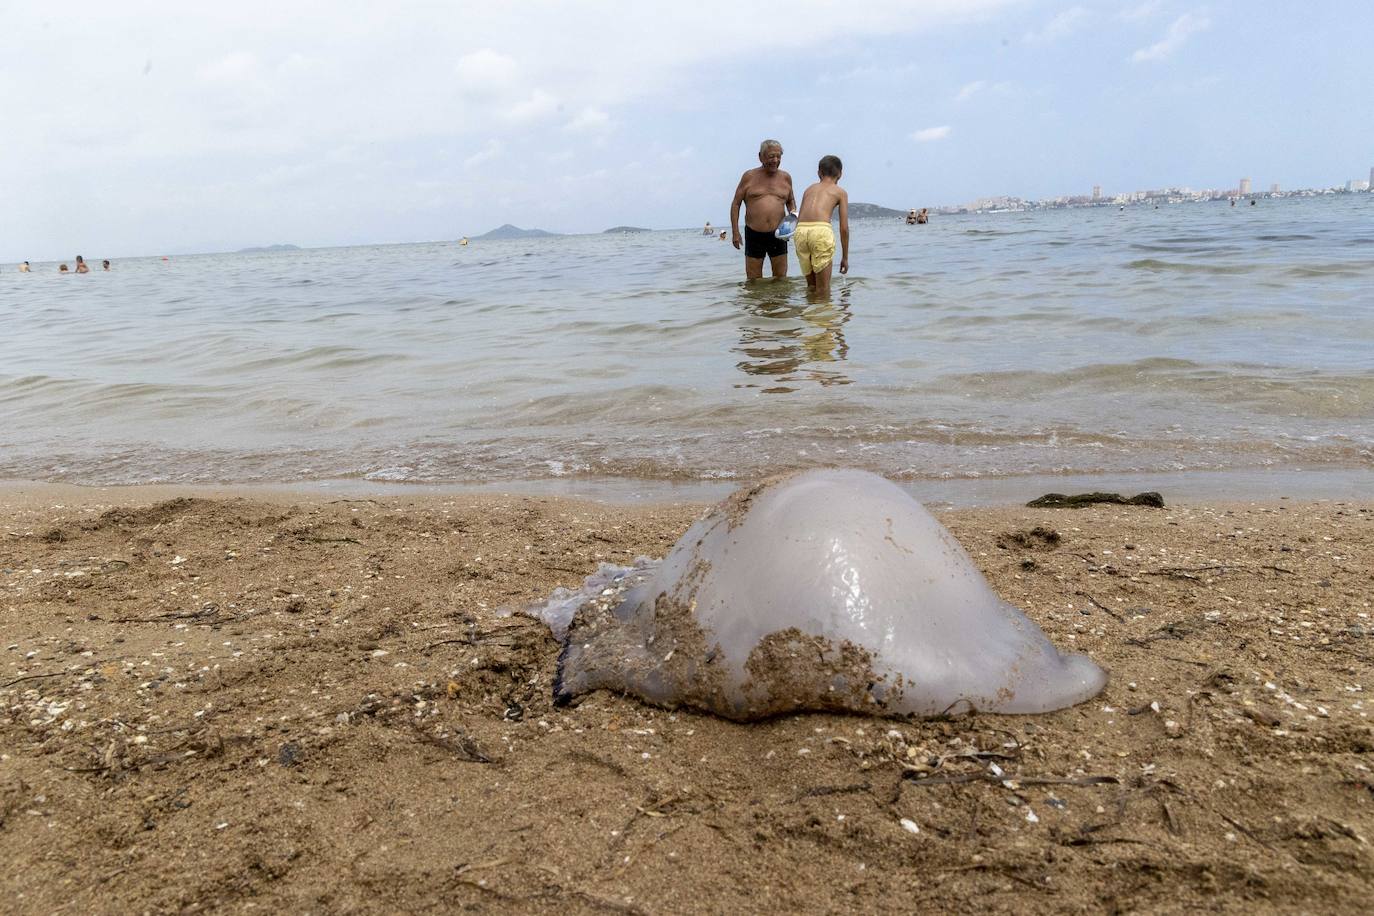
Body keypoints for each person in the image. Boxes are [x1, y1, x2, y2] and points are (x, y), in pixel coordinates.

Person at [730, 139, 795, 279]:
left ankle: (779, 302)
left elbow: (791, 201)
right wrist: (735, 232)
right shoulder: (749, 177)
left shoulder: (786, 178)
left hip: (779, 234)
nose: (775, 160)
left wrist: (791, 223)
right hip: (754, 234)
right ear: (760, 156)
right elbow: (736, 203)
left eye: (779, 156)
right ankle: (757, 302)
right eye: (771, 156)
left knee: (781, 279)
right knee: (753, 281)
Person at [792, 154, 849, 295]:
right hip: (820, 231)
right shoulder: (840, 192)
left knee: (811, 287)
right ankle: (823, 316)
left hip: (800, 232)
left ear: (819, 173)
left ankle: (810, 315)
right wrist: (845, 257)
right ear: (840, 174)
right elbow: (844, 228)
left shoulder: (809, 189)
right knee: (823, 290)